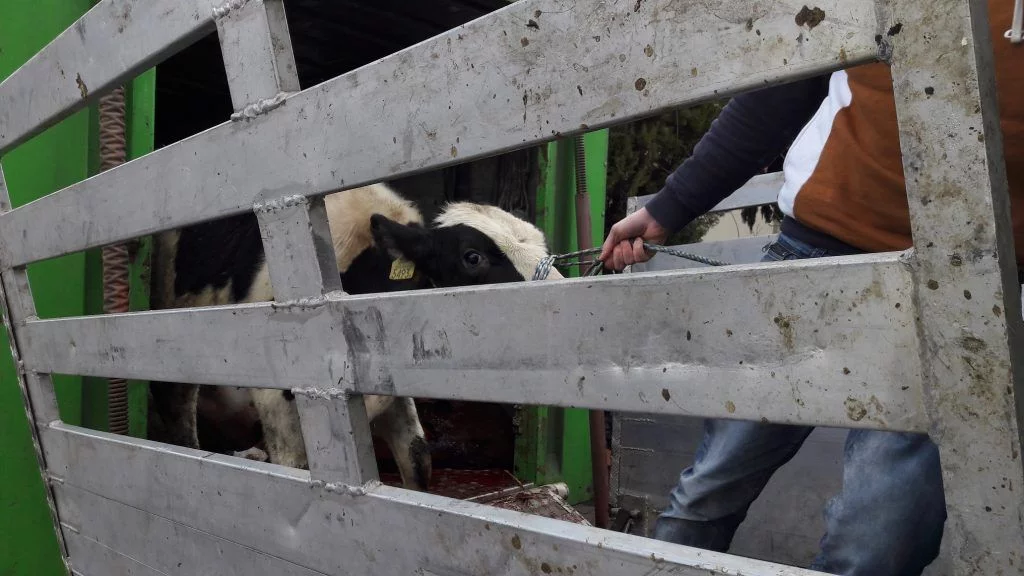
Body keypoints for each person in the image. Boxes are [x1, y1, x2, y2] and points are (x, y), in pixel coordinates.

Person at [598, 4, 1022, 574]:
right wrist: (668, 208)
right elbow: (782, 89)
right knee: (710, 488)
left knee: (878, 541)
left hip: (971, 287)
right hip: (819, 249)